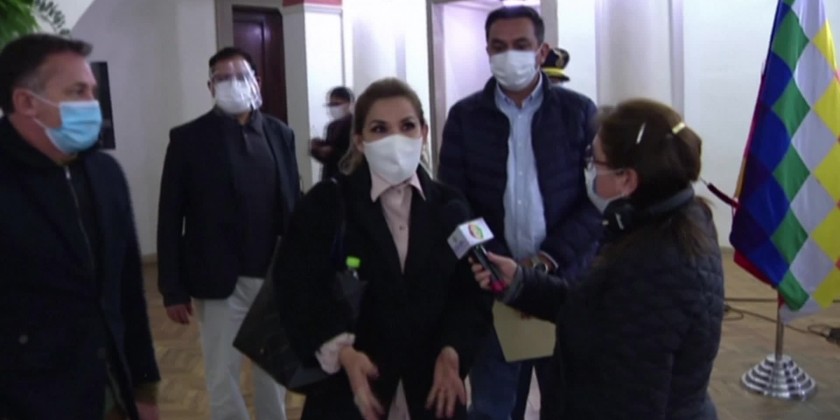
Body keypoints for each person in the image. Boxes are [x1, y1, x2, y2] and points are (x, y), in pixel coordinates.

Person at [472, 99, 725, 419]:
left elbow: (632, 400)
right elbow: (595, 309)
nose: (589, 171)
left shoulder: (655, 263)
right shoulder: (663, 226)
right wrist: (522, 283)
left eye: (595, 161)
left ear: (627, 179)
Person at [274, 78, 493, 420]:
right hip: (351, 391)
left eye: (407, 126)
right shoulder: (327, 204)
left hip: (432, 393)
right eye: (380, 129)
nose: (395, 139)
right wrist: (343, 352)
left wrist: (453, 352)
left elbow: (471, 293)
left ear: (424, 132)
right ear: (360, 141)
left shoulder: (451, 206)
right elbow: (297, 289)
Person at [438, 6, 601, 420]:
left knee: (572, 405)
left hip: (564, 286)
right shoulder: (464, 117)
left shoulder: (579, 112)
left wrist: (545, 261)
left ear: (541, 51)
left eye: (521, 45)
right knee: (492, 407)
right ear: (487, 52)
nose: (509, 54)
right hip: (492, 288)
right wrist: (492, 262)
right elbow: (454, 203)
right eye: (499, 46)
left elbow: (596, 202)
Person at [0, 34, 160, 419]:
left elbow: (127, 288)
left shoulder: (105, 173)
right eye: (77, 91)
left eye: (93, 91)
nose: (92, 104)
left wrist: (143, 386)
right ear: (26, 102)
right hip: (29, 400)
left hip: (112, 390)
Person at [157, 47, 300, 420]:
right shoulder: (188, 140)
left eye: (241, 76)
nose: (232, 83)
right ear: (210, 87)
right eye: (222, 78)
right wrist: (172, 287)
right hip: (218, 277)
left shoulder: (280, 134)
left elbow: (293, 203)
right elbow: (170, 216)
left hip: (274, 275)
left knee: (274, 372)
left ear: (256, 82)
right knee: (223, 375)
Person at [311, 86, 354, 180]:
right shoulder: (331, 127)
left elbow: (354, 157)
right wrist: (317, 149)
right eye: (331, 105)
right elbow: (327, 159)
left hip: (349, 179)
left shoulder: (356, 125)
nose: (333, 108)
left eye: (337, 104)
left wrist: (332, 152)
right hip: (330, 177)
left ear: (349, 104)